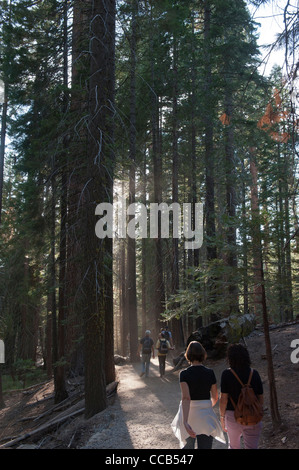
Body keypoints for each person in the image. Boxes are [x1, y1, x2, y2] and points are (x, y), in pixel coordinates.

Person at [171, 341, 225, 449]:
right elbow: (215, 397)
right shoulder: (210, 372)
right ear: (202, 354)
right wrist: (206, 406)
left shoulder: (184, 374)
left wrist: (185, 421)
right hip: (205, 415)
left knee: (188, 446)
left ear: (188, 355)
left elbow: (186, 398)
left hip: (188, 414)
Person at [219, 343, 264, 449]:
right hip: (252, 416)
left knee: (233, 446)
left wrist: (222, 417)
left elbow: (224, 399)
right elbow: (260, 398)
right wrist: (256, 411)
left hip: (232, 416)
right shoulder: (254, 373)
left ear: (229, 358)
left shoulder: (226, 374)